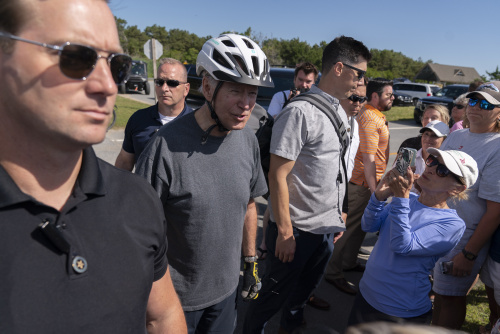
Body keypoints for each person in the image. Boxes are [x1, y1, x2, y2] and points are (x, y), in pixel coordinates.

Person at [0, 0, 186, 333]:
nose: (107, 86)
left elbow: (162, 316)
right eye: (75, 57)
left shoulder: (138, 200)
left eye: (117, 65)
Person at [136, 34, 271, 334]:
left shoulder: (247, 140)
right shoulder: (165, 147)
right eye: (236, 90)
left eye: (252, 93)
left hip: (225, 294)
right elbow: (137, 229)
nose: (246, 104)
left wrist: (249, 262)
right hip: (173, 302)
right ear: (207, 86)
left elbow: (250, 204)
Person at [244, 35, 371, 334]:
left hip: (324, 229)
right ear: (339, 68)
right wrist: (285, 232)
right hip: (296, 230)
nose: (361, 81)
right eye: (360, 73)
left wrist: (338, 213)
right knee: (269, 300)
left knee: (301, 296)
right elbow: (277, 175)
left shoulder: (340, 110)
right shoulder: (299, 111)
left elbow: (336, 169)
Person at [348, 149, 477, 325]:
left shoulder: (452, 224)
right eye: (432, 161)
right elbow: (368, 226)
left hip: (400, 310)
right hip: (367, 293)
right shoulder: (409, 200)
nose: (430, 168)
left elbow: (402, 245)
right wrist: (378, 197)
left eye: (443, 171)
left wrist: (401, 197)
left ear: (457, 189)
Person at [431, 82, 500, 329]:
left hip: (464, 236)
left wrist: (468, 254)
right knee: (439, 295)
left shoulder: (497, 145)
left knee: (450, 298)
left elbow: (495, 211)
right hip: (438, 225)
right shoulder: (457, 135)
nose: (475, 107)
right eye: (473, 101)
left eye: (485, 104)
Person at [324, 79, 393, 295]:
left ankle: (348, 262)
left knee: (358, 228)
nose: (393, 98)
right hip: (362, 184)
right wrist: (375, 191)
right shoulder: (371, 117)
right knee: (346, 230)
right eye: (389, 94)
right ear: (375, 96)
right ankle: (332, 272)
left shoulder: (372, 115)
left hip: (365, 183)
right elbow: (369, 158)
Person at [115, 58, 193, 171]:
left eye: (172, 83)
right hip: (143, 188)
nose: (164, 88)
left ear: (186, 89)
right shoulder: (138, 119)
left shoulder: (197, 122)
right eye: (159, 82)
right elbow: (124, 162)